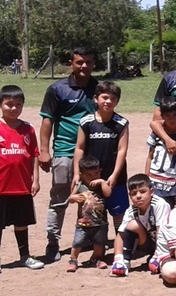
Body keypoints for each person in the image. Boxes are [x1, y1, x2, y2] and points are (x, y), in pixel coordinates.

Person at [39, 46, 98, 262]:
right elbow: (47, 121)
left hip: (92, 152)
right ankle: (52, 241)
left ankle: (88, 238)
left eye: (88, 62)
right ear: (71, 63)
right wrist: (44, 151)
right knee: (60, 197)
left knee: (89, 196)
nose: (84, 66)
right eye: (79, 62)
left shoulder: (99, 88)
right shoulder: (57, 89)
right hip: (64, 150)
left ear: (94, 64)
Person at [72, 81, 129, 228]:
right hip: (91, 177)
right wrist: (77, 173)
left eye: (113, 99)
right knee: (90, 210)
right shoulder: (86, 122)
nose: (108, 101)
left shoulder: (121, 123)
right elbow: (79, 148)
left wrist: (115, 175)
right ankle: (92, 241)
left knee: (119, 214)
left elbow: (122, 150)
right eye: (104, 97)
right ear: (96, 98)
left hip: (115, 177)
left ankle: (121, 244)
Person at [0, 84, 45, 270]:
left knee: (21, 223)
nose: (13, 108)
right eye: (9, 104)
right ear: (1, 105)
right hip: (1, 187)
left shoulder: (28, 129)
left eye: (18, 104)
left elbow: (34, 154)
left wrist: (36, 178)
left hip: (21, 185)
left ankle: (25, 256)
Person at [110, 174, 171, 277]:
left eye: (142, 192)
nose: (138, 196)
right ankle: (125, 261)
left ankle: (158, 256)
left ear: (151, 192)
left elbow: (161, 232)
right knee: (132, 225)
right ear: (130, 196)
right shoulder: (131, 210)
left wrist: (158, 255)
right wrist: (118, 258)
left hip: (165, 244)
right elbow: (120, 235)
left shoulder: (159, 204)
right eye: (134, 193)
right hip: (148, 242)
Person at [146, 97, 176, 208]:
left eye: (175, 115)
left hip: (173, 185)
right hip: (155, 182)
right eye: (167, 116)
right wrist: (146, 178)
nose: (171, 119)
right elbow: (150, 156)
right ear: (162, 116)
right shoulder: (156, 135)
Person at [66, 156, 112, 272]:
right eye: (89, 175)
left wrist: (102, 181)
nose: (93, 177)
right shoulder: (80, 185)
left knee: (99, 243)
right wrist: (74, 197)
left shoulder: (102, 185)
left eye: (96, 173)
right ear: (82, 174)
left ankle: (96, 259)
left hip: (100, 222)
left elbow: (108, 193)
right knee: (78, 242)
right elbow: (70, 199)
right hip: (83, 222)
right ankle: (73, 259)